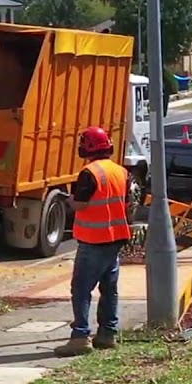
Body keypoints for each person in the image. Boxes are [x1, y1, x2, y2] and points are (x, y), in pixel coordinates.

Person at [54, 126, 133, 357]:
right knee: (109, 288)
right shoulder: (121, 172)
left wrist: (69, 200)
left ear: (86, 147)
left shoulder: (89, 173)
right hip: (115, 238)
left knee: (81, 289)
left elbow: (81, 204)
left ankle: (80, 336)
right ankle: (107, 334)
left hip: (93, 240)